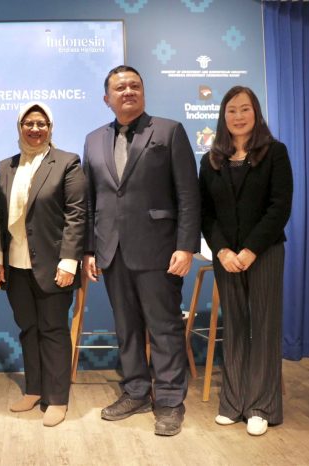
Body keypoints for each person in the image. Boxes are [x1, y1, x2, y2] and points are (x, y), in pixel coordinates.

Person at [83, 65, 200, 436]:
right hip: (111, 250)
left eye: (134, 85)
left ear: (143, 91)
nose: (128, 91)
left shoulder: (168, 131)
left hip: (158, 249)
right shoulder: (93, 140)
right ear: (107, 98)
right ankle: (135, 390)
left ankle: (169, 400)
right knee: (127, 328)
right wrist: (89, 250)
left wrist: (186, 246)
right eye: (120, 88)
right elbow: (92, 201)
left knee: (164, 328)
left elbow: (188, 194)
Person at [199, 85, 293, 436]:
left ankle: (260, 406)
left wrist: (251, 249)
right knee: (235, 325)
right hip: (226, 258)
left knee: (264, 326)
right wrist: (222, 251)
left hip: (264, 252)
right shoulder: (210, 160)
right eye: (231, 110)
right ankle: (233, 402)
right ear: (223, 116)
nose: (238, 116)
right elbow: (206, 214)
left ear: (256, 113)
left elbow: (279, 206)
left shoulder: (275, 153)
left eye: (245, 109)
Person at [0, 101, 85, 427]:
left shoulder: (67, 162)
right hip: (15, 265)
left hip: (54, 265)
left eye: (41, 123)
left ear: (50, 128)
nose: (35, 129)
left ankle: (57, 398)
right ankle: (34, 389)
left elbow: (76, 214)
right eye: (28, 123)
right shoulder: (5, 166)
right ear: (20, 127)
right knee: (28, 329)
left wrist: (69, 261)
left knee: (53, 330)